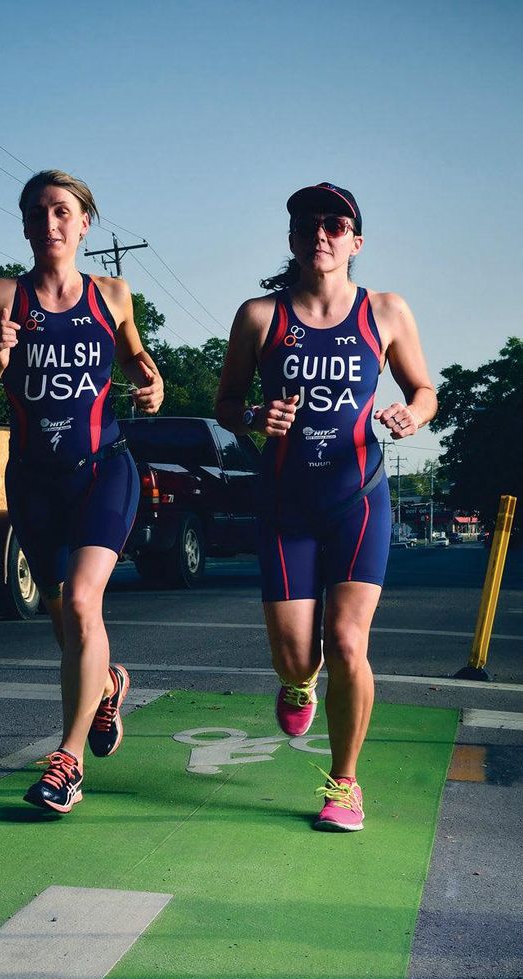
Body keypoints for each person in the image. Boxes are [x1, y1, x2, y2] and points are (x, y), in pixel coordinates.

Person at [216, 182, 437, 831]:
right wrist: (256, 415)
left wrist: (410, 414)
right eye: (309, 223)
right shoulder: (260, 317)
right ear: (292, 238)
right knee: (295, 656)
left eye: (336, 224)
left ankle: (344, 783)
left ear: (355, 241)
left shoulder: (386, 311)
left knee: (347, 640)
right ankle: (296, 682)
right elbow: (228, 404)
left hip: (358, 500)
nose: (322, 232)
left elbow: (425, 389)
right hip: (285, 506)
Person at [0, 169, 163, 814]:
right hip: (34, 480)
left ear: (83, 224)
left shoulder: (113, 294)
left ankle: (67, 761)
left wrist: (152, 383)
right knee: (62, 613)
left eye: (62, 212)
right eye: (37, 213)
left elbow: (135, 359)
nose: (50, 223)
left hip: (105, 469)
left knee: (81, 601)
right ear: (24, 225)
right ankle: (105, 685)